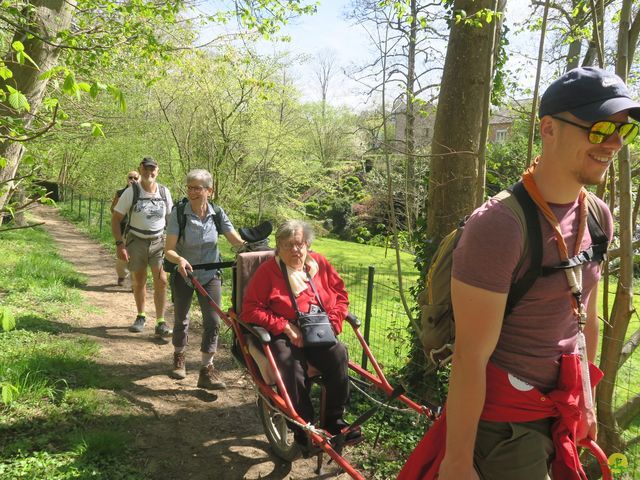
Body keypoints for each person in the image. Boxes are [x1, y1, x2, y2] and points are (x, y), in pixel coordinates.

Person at [399, 67, 640, 480]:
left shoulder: (598, 216)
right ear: (549, 128)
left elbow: (584, 320)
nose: (615, 143)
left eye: (625, 132)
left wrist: (585, 400)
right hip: (505, 428)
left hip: (561, 408)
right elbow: (470, 357)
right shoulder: (499, 226)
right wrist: (457, 462)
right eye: (600, 130)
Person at [241, 220, 363, 448]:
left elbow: (340, 295)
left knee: (339, 353)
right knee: (290, 366)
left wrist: (334, 322)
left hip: (318, 329)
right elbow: (250, 310)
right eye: (288, 245)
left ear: (307, 244)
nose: (295, 250)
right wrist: (285, 326)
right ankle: (304, 427)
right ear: (278, 247)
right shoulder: (268, 271)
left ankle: (334, 422)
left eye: (299, 244)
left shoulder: (320, 265)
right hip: (284, 333)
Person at [164, 169, 245, 390]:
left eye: (197, 188)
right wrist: (179, 260)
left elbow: (235, 240)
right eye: (189, 187)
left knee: (213, 321)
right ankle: (179, 356)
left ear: (209, 190)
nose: (192, 191)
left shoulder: (217, 213)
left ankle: (206, 369)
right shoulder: (179, 214)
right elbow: (168, 249)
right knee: (181, 318)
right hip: (184, 274)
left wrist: (254, 249)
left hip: (210, 275)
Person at [111, 157, 173, 337]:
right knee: (139, 280)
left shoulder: (164, 192)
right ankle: (141, 316)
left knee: (161, 280)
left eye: (152, 169)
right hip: (136, 240)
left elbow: (170, 218)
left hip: (159, 241)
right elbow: (116, 219)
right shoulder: (131, 192)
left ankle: (160, 322)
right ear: (140, 170)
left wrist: (173, 243)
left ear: (157, 171)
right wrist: (119, 244)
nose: (149, 173)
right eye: (146, 169)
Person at [110, 170, 139, 286]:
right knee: (123, 256)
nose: (133, 180)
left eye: (136, 178)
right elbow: (113, 209)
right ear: (127, 179)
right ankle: (122, 275)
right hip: (124, 228)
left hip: (137, 229)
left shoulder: (144, 193)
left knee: (136, 256)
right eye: (131, 177)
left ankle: (135, 282)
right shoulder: (120, 193)